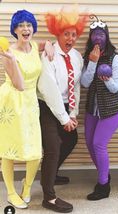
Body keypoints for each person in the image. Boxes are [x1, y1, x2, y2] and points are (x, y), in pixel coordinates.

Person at [0, 9, 53, 209]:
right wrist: (12, 60)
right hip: (12, 102)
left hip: (31, 102)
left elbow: (41, 45)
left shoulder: (32, 45)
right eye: (21, 25)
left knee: (35, 153)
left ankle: (27, 186)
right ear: (14, 29)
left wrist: (48, 44)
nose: (25, 28)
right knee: (9, 150)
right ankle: (11, 193)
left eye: (29, 25)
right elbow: (20, 85)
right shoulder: (7, 53)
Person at [37, 6, 88, 213]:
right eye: (66, 34)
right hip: (47, 105)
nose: (71, 38)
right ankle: (48, 197)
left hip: (66, 106)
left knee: (71, 139)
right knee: (53, 146)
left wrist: (73, 113)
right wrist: (63, 118)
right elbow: (48, 89)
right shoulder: (49, 55)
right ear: (57, 34)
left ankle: (51, 172)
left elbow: (75, 85)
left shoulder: (76, 57)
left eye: (74, 34)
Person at [81, 15, 118, 201]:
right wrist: (92, 62)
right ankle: (104, 174)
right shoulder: (88, 56)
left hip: (112, 108)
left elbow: (115, 87)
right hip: (93, 107)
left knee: (99, 144)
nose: (98, 37)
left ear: (106, 36)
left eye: (101, 34)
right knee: (90, 144)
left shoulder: (114, 57)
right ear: (90, 37)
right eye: (94, 34)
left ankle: (103, 185)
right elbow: (84, 83)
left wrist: (106, 80)